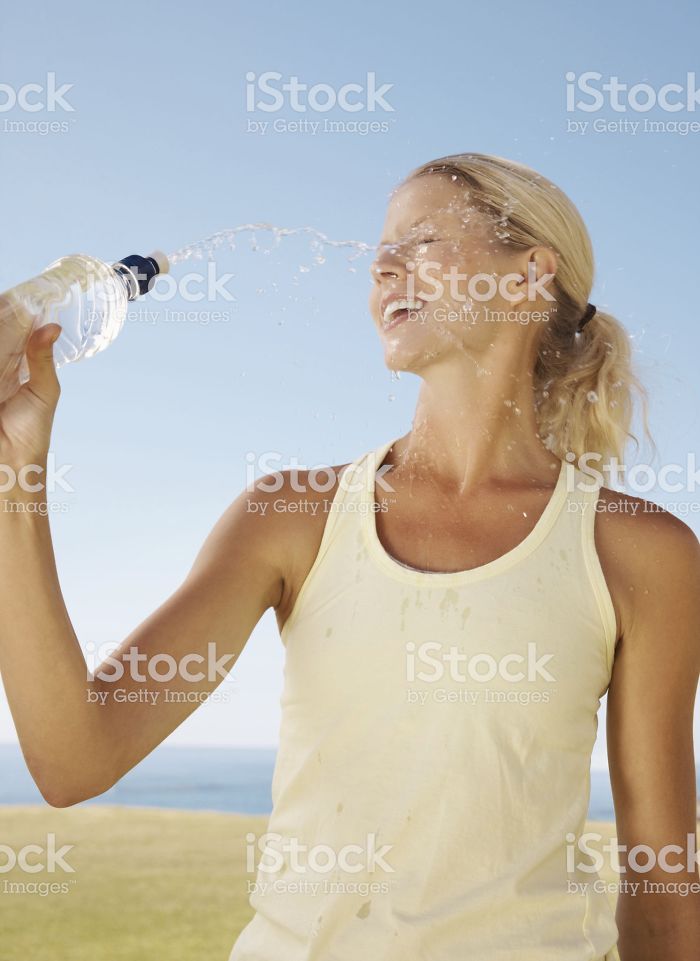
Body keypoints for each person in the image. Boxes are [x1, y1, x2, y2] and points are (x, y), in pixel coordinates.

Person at [1, 153, 698, 960]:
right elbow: (71, 757)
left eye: (424, 239)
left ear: (527, 275)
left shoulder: (639, 552)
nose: (383, 267)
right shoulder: (291, 516)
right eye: (379, 251)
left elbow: (662, 880)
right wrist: (18, 468)